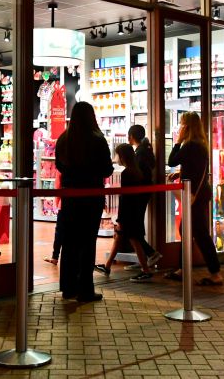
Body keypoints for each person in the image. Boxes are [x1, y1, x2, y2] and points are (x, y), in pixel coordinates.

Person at [55, 101, 114, 302]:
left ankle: (68, 287)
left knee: (69, 242)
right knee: (87, 242)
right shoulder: (97, 139)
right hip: (91, 196)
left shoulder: (64, 139)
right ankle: (85, 289)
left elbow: (59, 166)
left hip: (70, 196)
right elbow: (107, 169)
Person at [164, 111, 223, 285]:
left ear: (187, 127)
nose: (180, 127)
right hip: (201, 193)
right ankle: (184, 269)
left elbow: (172, 160)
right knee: (187, 230)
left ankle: (215, 273)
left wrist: (178, 142)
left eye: (182, 124)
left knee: (200, 234)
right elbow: (194, 168)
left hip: (195, 196)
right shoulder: (200, 144)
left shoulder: (189, 145)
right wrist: (181, 173)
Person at [94, 144, 154, 281]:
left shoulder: (127, 173)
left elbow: (125, 198)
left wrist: (120, 218)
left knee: (134, 239)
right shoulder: (138, 171)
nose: (115, 158)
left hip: (128, 213)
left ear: (122, 156)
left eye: (117, 155)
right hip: (135, 211)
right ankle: (107, 266)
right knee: (121, 237)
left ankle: (145, 269)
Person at [125, 125, 163, 268]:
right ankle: (144, 257)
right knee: (136, 226)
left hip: (139, 194)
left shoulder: (140, 153)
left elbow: (138, 174)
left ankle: (150, 253)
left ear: (132, 136)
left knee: (134, 228)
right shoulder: (145, 150)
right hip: (144, 193)